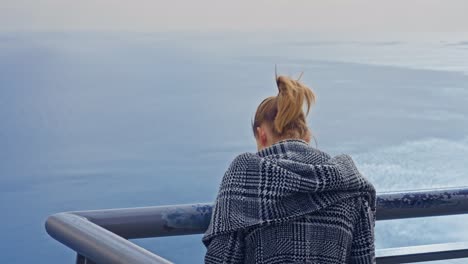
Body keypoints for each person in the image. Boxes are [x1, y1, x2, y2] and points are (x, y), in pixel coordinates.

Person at [202, 74, 376, 264]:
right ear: (307, 136)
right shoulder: (348, 182)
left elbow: (220, 259)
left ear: (261, 136)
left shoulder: (243, 177)